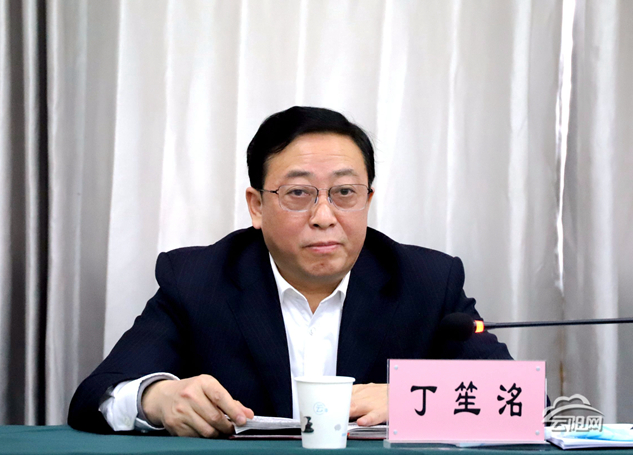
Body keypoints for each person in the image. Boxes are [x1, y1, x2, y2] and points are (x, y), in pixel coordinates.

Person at [68, 106, 511, 437]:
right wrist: (156, 398)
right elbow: (95, 396)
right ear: (257, 206)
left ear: (368, 200)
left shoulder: (427, 281)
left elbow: (522, 401)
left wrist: (417, 398)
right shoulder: (198, 279)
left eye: (344, 192)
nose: (324, 216)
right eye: (298, 193)